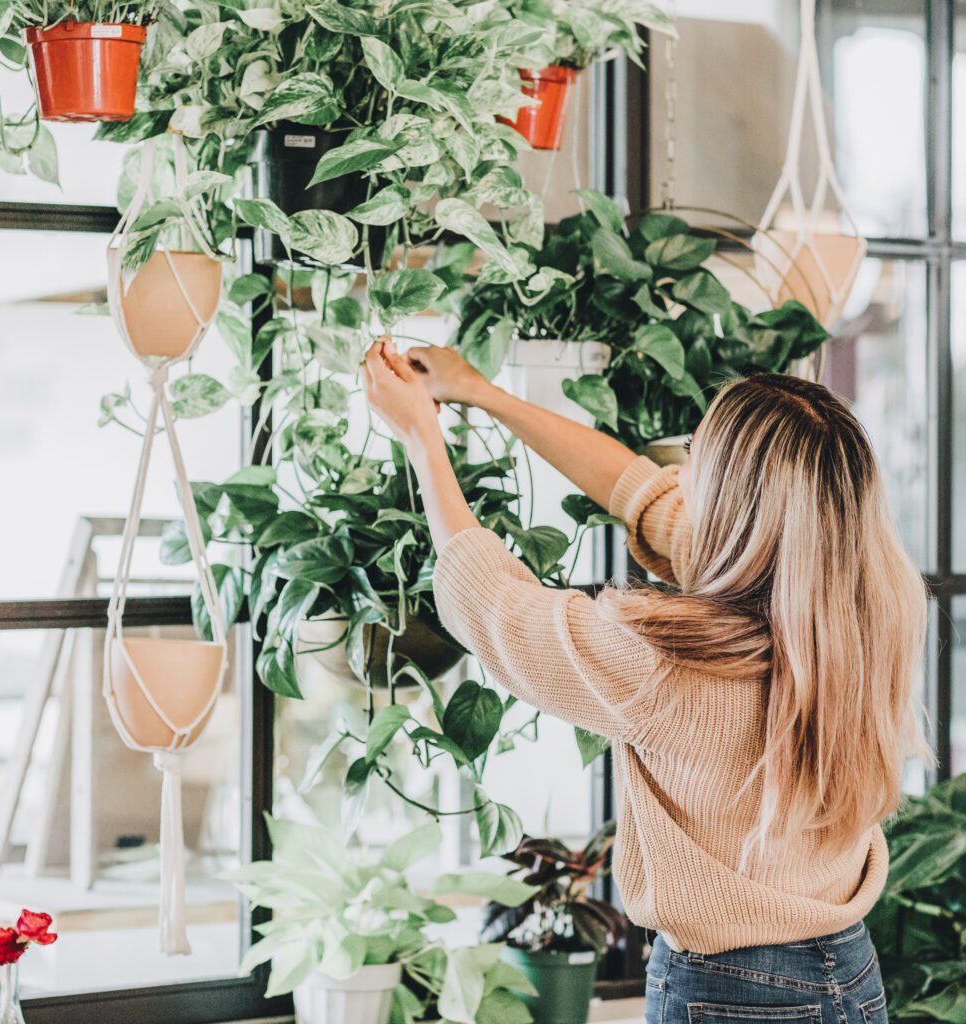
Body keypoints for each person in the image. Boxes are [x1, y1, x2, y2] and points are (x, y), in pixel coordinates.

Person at [361, 338, 929, 1024]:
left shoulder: (668, 661)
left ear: (735, 504)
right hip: (849, 970)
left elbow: (489, 606)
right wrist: (483, 392)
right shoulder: (876, 607)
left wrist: (422, 435)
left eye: (699, 458)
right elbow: (639, 491)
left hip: (731, 993)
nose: (682, 468)